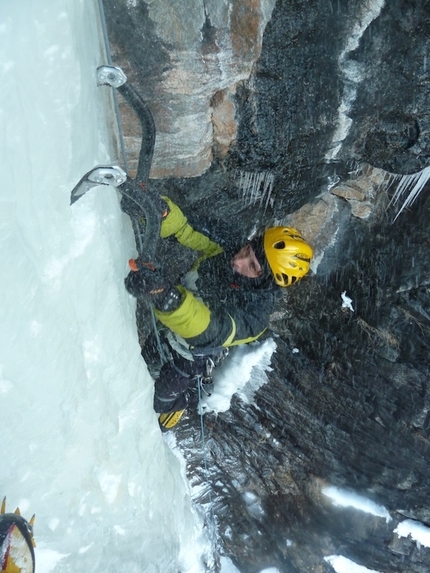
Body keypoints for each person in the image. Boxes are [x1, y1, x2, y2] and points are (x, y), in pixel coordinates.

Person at [124, 199, 313, 430]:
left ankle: (185, 401)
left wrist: (167, 297)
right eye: (247, 250)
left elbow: (213, 330)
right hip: (168, 328)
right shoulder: (230, 245)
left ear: (264, 281)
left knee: (160, 400)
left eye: (252, 266)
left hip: (190, 357)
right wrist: (158, 212)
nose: (238, 260)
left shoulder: (255, 317)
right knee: (142, 362)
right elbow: (185, 227)